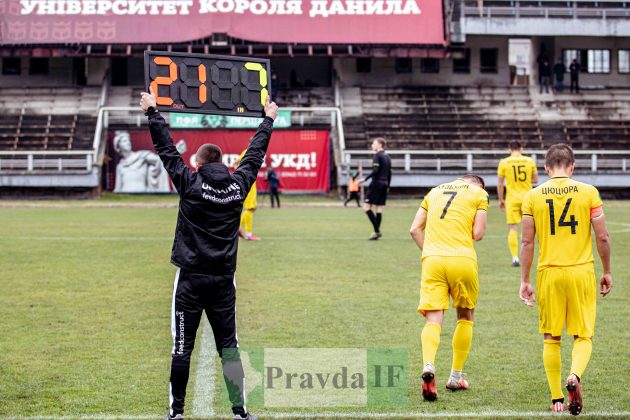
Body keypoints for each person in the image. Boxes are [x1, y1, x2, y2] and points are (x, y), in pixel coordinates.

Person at [140, 87, 278, 420]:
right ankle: (240, 412)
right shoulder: (238, 185)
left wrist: (152, 113)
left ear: (198, 163)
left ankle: (176, 414)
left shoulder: (189, 182)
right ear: (223, 163)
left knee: (181, 349)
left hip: (189, 281)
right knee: (229, 348)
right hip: (222, 282)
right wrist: (268, 120)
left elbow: (166, 150)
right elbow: (254, 155)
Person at [519, 143, 612, 415]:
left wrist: (524, 280)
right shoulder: (589, 193)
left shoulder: (532, 196)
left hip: (549, 272)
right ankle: (574, 375)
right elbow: (602, 237)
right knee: (583, 335)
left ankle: (557, 397)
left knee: (551, 337)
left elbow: (526, 242)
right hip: (581, 271)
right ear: (572, 167)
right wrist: (606, 271)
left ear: (546, 168)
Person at [409, 175, 489, 402]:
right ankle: (455, 376)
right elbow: (478, 234)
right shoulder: (479, 194)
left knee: (433, 318)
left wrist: (430, 252)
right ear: (479, 184)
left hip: (433, 260)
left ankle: (428, 364)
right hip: (462, 260)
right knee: (465, 316)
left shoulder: (433, 191)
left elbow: (415, 229)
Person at [497, 141, 538, 267]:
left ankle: (515, 258)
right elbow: (535, 179)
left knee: (513, 228)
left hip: (512, 199)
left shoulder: (504, 162)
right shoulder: (529, 161)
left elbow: (500, 183)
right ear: (521, 148)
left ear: (509, 149)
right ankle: (528, 255)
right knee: (529, 228)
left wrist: (500, 200)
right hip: (527, 197)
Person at [358, 138, 392, 240]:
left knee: (366, 207)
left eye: (374, 143)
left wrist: (365, 179)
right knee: (379, 208)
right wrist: (388, 186)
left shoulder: (377, 155)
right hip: (384, 183)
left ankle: (377, 231)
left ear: (380, 145)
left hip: (377, 183)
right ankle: (376, 232)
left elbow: (376, 170)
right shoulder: (387, 156)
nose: (372, 145)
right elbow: (390, 173)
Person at [234, 150, 261, 240]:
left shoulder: (252, 151)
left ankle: (236, 229)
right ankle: (248, 234)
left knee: (251, 208)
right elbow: (236, 162)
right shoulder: (249, 151)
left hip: (251, 181)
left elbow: (236, 163)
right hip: (249, 182)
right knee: (250, 208)